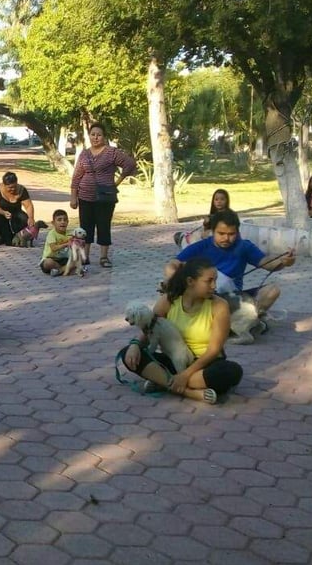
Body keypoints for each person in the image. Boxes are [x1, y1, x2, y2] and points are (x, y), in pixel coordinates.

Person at [122, 258, 243, 404]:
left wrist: (185, 375)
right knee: (128, 354)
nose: (214, 286)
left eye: (215, 281)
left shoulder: (219, 306)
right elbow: (150, 328)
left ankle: (162, 380)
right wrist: (135, 345)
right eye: (209, 281)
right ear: (190, 281)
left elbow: (214, 350)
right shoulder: (169, 300)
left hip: (204, 364)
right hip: (174, 360)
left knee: (231, 372)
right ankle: (189, 392)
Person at [164, 210, 295, 318]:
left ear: (237, 232)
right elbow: (173, 264)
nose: (226, 238)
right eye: (221, 234)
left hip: (234, 297)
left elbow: (266, 263)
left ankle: (246, 321)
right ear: (213, 231)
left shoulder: (244, 246)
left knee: (273, 291)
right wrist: (173, 280)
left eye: (231, 234)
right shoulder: (200, 247)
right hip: (207, 297)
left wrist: (283, 261)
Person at [69, 122, 137, 268]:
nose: (96, 137)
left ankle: (104, 257)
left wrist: (117, 182)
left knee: (103, 226)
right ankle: (85, 256)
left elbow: (130, 164)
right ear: (89, 136)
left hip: (105, 197)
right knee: (85, 227)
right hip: (85, 197)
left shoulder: (111, 152)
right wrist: (73, 196)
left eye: (99, 135)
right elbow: (76, 176)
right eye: (93, 134)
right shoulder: (84, 154)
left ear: (104, 137)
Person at [0, 171, 36, 246]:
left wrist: (31, 218)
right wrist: (3, 212)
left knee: (24, 218)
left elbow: (28, 205)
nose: (12, 189)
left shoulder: (22, 190)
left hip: (16, 212)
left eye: (14, 187)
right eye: (10, 187)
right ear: (4, 185)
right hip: (0, 212)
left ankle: (21, 237)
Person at [40, 210, 72, 276]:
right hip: (52, 258)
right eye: (59, 220)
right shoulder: (51, 234)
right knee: (48, 263)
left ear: (68, 222)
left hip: (64, 259)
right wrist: (66, 244)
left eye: (65, 220)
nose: (62, 222)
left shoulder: (70, 233)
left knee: (77, 259)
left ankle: (59, 271)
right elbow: (53, 248)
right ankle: (64, 270)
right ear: (53, 223)